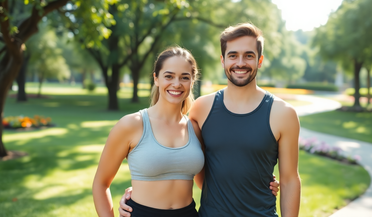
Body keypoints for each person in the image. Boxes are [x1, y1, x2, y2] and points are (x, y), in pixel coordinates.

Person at [120, 23, 292, 217]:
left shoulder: (283, 113)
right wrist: (142, 195)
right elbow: (187, 165)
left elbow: (290, 180)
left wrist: (257, 185)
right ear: (223, 60)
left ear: (259, 61)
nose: (240, 63)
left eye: (249, 55)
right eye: (233, 55)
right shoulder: (202, 109)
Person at [93, 46, 205, 217]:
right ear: (156, 78)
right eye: (169, 76)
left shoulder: (195, 128)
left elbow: (205, 183)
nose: (177, 84)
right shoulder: (131, 125)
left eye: (184, 77)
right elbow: (101, 184)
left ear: (192, 81)